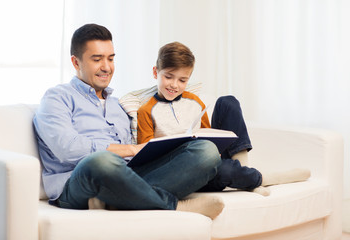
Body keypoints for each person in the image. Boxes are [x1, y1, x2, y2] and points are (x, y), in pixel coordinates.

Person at [33, 23, 225, 220]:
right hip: (78, 183)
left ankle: (120, 199)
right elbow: (67, 148)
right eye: (97, 59)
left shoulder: (120, 105)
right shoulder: (57, 97)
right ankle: (173, 205)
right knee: (100, 161)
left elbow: (138, 154)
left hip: (128, 176)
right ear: (76, 62)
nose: (106, 67)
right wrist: (131, 149)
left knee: (205, 151)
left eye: (110, 58)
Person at [137, 42, 311, 196]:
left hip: (211, 157)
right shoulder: (146, 111)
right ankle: (258, 179)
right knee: (224, 169)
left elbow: (206, 133)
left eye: (182, 80)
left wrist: (215, 148)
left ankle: (245, 173)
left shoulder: (194, 101)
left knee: (227, 102)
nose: (174, 85)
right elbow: (147, 156)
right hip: (189, 172)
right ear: (155, 72)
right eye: (168, 77)